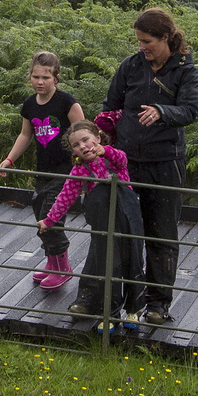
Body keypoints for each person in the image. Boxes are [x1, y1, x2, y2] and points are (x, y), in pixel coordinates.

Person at [102, 7, 198, 325]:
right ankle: (127, 302)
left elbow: (189, 110)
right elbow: (111, 107)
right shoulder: (130, 66)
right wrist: (101, 133)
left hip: (165, 164)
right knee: (126, 233)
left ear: (166, 38)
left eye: (147, 42)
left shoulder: (185, 70)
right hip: (126, 163)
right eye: (139, 41)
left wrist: (161, 111)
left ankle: (158, 305)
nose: (142, 47)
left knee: (161, 236)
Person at [39, 120, 144, 325]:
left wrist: (104, 151)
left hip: (128, 217)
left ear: (97, 137)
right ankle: (110, 314)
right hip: (104, 222)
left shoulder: (113, 157)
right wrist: (50, 220)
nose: (83, 146)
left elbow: (122, 159)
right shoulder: (79, 171)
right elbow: (65, 197)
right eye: (76, 145)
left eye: (86, 140)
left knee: (134, 260)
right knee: (108, 265)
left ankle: (135, 309)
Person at [0, 51, 85, 289]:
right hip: (42, 171)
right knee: (40, 216)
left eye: (45, 77)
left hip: (66, 171)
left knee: (51, 217)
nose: (40, 82)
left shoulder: (67, 102)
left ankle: (63, 267)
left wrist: (87, 164)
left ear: (56, 78)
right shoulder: (29, 105)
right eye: (36, 77)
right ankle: (51, 262)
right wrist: (9, 160)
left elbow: (84, 135)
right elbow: (25, 135)